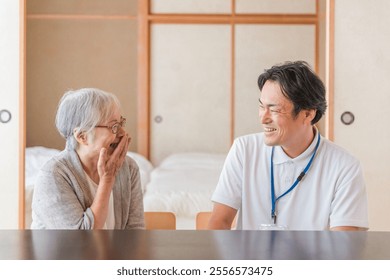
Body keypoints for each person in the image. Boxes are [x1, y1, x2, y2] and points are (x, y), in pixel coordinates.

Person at [208, 61, 368, 231]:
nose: (263, 118)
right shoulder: (244, 149)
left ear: (307, 114)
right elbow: (220, 222)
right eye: (262, 106)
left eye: (274, 110)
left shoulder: (345, 167)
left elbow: (343, 245)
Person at [31, 88, 144, 229]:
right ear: (82, 136)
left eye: (121, 124)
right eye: (113, 126)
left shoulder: (128, 167)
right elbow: (79, 241)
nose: (122, 133)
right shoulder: (53, 175)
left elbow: (135, 231)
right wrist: (108, 179)